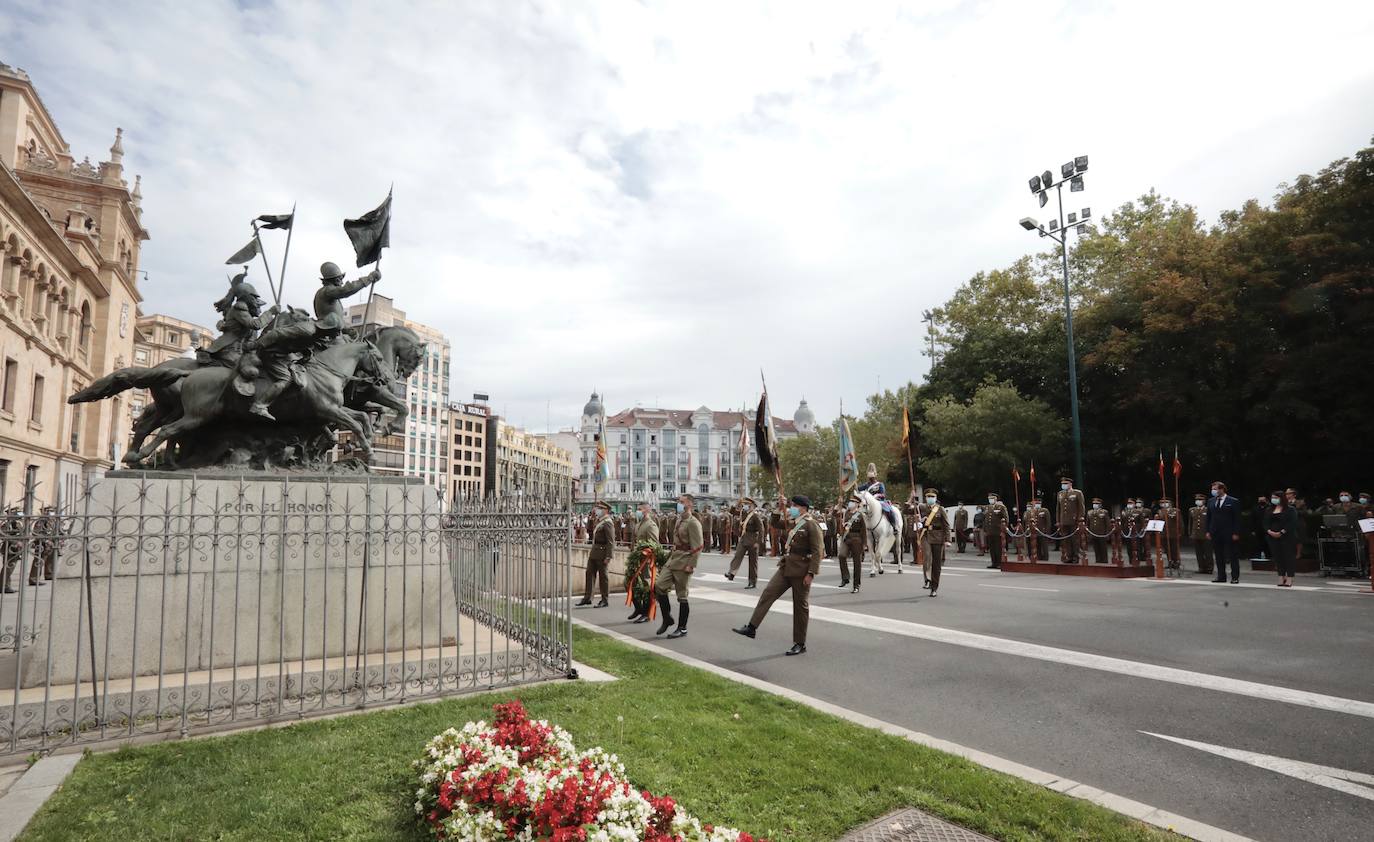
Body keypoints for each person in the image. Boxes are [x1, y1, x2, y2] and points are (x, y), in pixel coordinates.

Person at [732, 495, 823, 656]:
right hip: (786, 566)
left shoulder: (811, 525)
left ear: (803, 508)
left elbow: (817, 551)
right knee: (768, 593)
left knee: (800, 607)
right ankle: (752, 627)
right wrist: (778, 507)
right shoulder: (793, 522)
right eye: (791, 505)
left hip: (801, 569)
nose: (791, 508)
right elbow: (774, 523)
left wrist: (811, 573)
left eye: (794, 505)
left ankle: (800, 643)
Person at [654, 494, 702, 639]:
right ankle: (667, 618)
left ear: (690, 504)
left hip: (684, 561)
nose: (679, 504)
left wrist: (691, 565)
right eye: (679, 502)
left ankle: (682, 628)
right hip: (674, 559)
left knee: (682, 595)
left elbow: (698, 546)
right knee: (659, 586)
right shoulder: (679, 519)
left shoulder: (693, 522)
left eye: (682, 502)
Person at [626, 502, 660, 623]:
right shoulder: (639, 524)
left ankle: (646, 612)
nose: (637, 511)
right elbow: (634, 540)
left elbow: (654, 544)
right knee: (631, 582)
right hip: (637, 557)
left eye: (640, 509)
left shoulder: (651, 525)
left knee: (646, 584)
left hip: (646, 559)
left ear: (646, 510)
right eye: (637, 509)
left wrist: (646, 554)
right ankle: (638, 608)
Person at [578, 501, 614, 607]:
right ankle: (588, 597)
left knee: (603, 577)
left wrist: (609, 556)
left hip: (602, 552)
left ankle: (604, 599)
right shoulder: (599, 521)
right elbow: (589, 528)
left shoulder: (608, 522)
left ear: (606, 510)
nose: (598, 510)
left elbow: (611, 541)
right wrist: (591, 516)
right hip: (594, 551)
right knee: (589, 573)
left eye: (600, 508)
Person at [1206, 480, 1242, 583]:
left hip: (1229, 532)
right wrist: (1208, 531)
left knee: (1232, 555)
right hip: (1215, 532)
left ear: (1222, 489)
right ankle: (1221, 576)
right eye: (1212, 489)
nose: (1213, 491)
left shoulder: (1233, 501)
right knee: (1218, 555)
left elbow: (1237, 518)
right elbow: (1209, 517)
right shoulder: (1211, 501)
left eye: (1215, 489)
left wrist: (1236, 532)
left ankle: (1235, 577)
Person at [726, 497, 764, 589]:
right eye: (746, 505)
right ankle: (732, 573)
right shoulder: (744, 514)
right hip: (743, 539)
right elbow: (732, 512)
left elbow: (761, 529)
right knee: (737, 555)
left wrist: (759, 542)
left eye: (749, 505)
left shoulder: (755, 516)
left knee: (752, 562)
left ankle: (752, 582)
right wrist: (737, 503)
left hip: (753, 540)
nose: (747, 506)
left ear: (754, 506)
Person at [1265, 490, 1300, 587]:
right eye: (1273, 498)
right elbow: (1265, 523)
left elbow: (1292, 523)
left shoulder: (1290, 510)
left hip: (1287, 537)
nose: (1274, 500)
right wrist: (1269, 531)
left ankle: (1289, 577)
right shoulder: (1269, 510)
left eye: (1276, 498)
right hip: (1272, 537)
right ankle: (1281, 576)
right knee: (1278, 557)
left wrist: (1282, 532)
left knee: (1289, 557)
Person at [921, 488, 950, 596]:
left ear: (936, 498)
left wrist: (947, 540)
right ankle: (927, 579)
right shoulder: (922, 508)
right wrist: (910, 499)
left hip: (938, 537)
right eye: (928, 497)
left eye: (932, 497)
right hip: (926, 536)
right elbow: (907, 510)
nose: (930, 498)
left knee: (936, 564)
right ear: (925, 498)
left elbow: (946, 525)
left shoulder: (940, 509)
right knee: (927, 557)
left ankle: (934, 588)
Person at [1056, 476, 1086, 564]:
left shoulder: (1077, 493)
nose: (1063, 485)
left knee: (1075, 540)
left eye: (1065, 484)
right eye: (1062, 484)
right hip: (1063, 520)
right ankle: (1069, 556)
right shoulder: (1060, 494)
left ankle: (1076, 557)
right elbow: (1058, 508)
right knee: (1066, 540)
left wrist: (1080, 518)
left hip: (1074, 520)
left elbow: (1081, 507)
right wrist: (1058, 521)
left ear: (1070, 484)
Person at [838, 498, 865, 592]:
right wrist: (839, 503)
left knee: (857, 563)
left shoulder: (860, 515)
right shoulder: (846, 513)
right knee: (841, 556)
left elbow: (864, 530)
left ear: (857, 504)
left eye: (853, 502)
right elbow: (834, 514)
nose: (851, 503)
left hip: (857, 539)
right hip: (846, 538)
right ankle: (845, 578)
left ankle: (856, 585)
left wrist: (864, 544)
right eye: (850, 501)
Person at [1188, 493, 1214, 575]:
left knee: (1208, 552)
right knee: (1198, 553)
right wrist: (1190, 533)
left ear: (1204, 501)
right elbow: (1190, 523)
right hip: (1196, 534)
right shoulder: (1192, 510)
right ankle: (1201, 567)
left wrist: (1210, 532)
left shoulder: (1208, 509)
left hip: (1206, 534)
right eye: (1197, 500)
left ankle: (1209, 568)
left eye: (1200, 500)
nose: (1198, 501)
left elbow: (1212, 522)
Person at [984, 493, 1007, 568]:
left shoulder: (1001, 507)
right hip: (990, 531)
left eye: (992, 498)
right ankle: (993, 562)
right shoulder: (987, 507)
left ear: (995, 499)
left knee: (998, 547)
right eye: (989, 499)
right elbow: (986, 519)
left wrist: (1004, 529)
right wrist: (985, 529)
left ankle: (999, 563)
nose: (990, 500)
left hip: (998, 530)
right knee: (992, 548)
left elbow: (1006, 518)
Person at [1158, 498, 1182, 569]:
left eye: (1165, 502)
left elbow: (1180, 522)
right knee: (1167, 549)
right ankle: (1170, 562)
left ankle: (1176, 562)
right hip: (1164, 533)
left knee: (1174, 549)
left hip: (1173, 533)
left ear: (1170, 503)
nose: (1163, 504)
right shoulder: (1160, 511)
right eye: (1162, 503)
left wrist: (1180, 532)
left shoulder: (1175, 511)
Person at [1086, 497, 1112, 564]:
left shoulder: (1104, 512)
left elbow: (1107, 524)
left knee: (1103, 548)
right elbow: (1087, 524)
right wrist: (1088, 534)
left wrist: (1107, 534)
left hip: (1102, 533)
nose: (1095, 504)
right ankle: (1098, 560)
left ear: (1100, 504)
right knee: (1096, 548)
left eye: (1097, 503)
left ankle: (1104, 560)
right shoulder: (1089, 512)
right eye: (1094, 503)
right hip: (1093, 533)